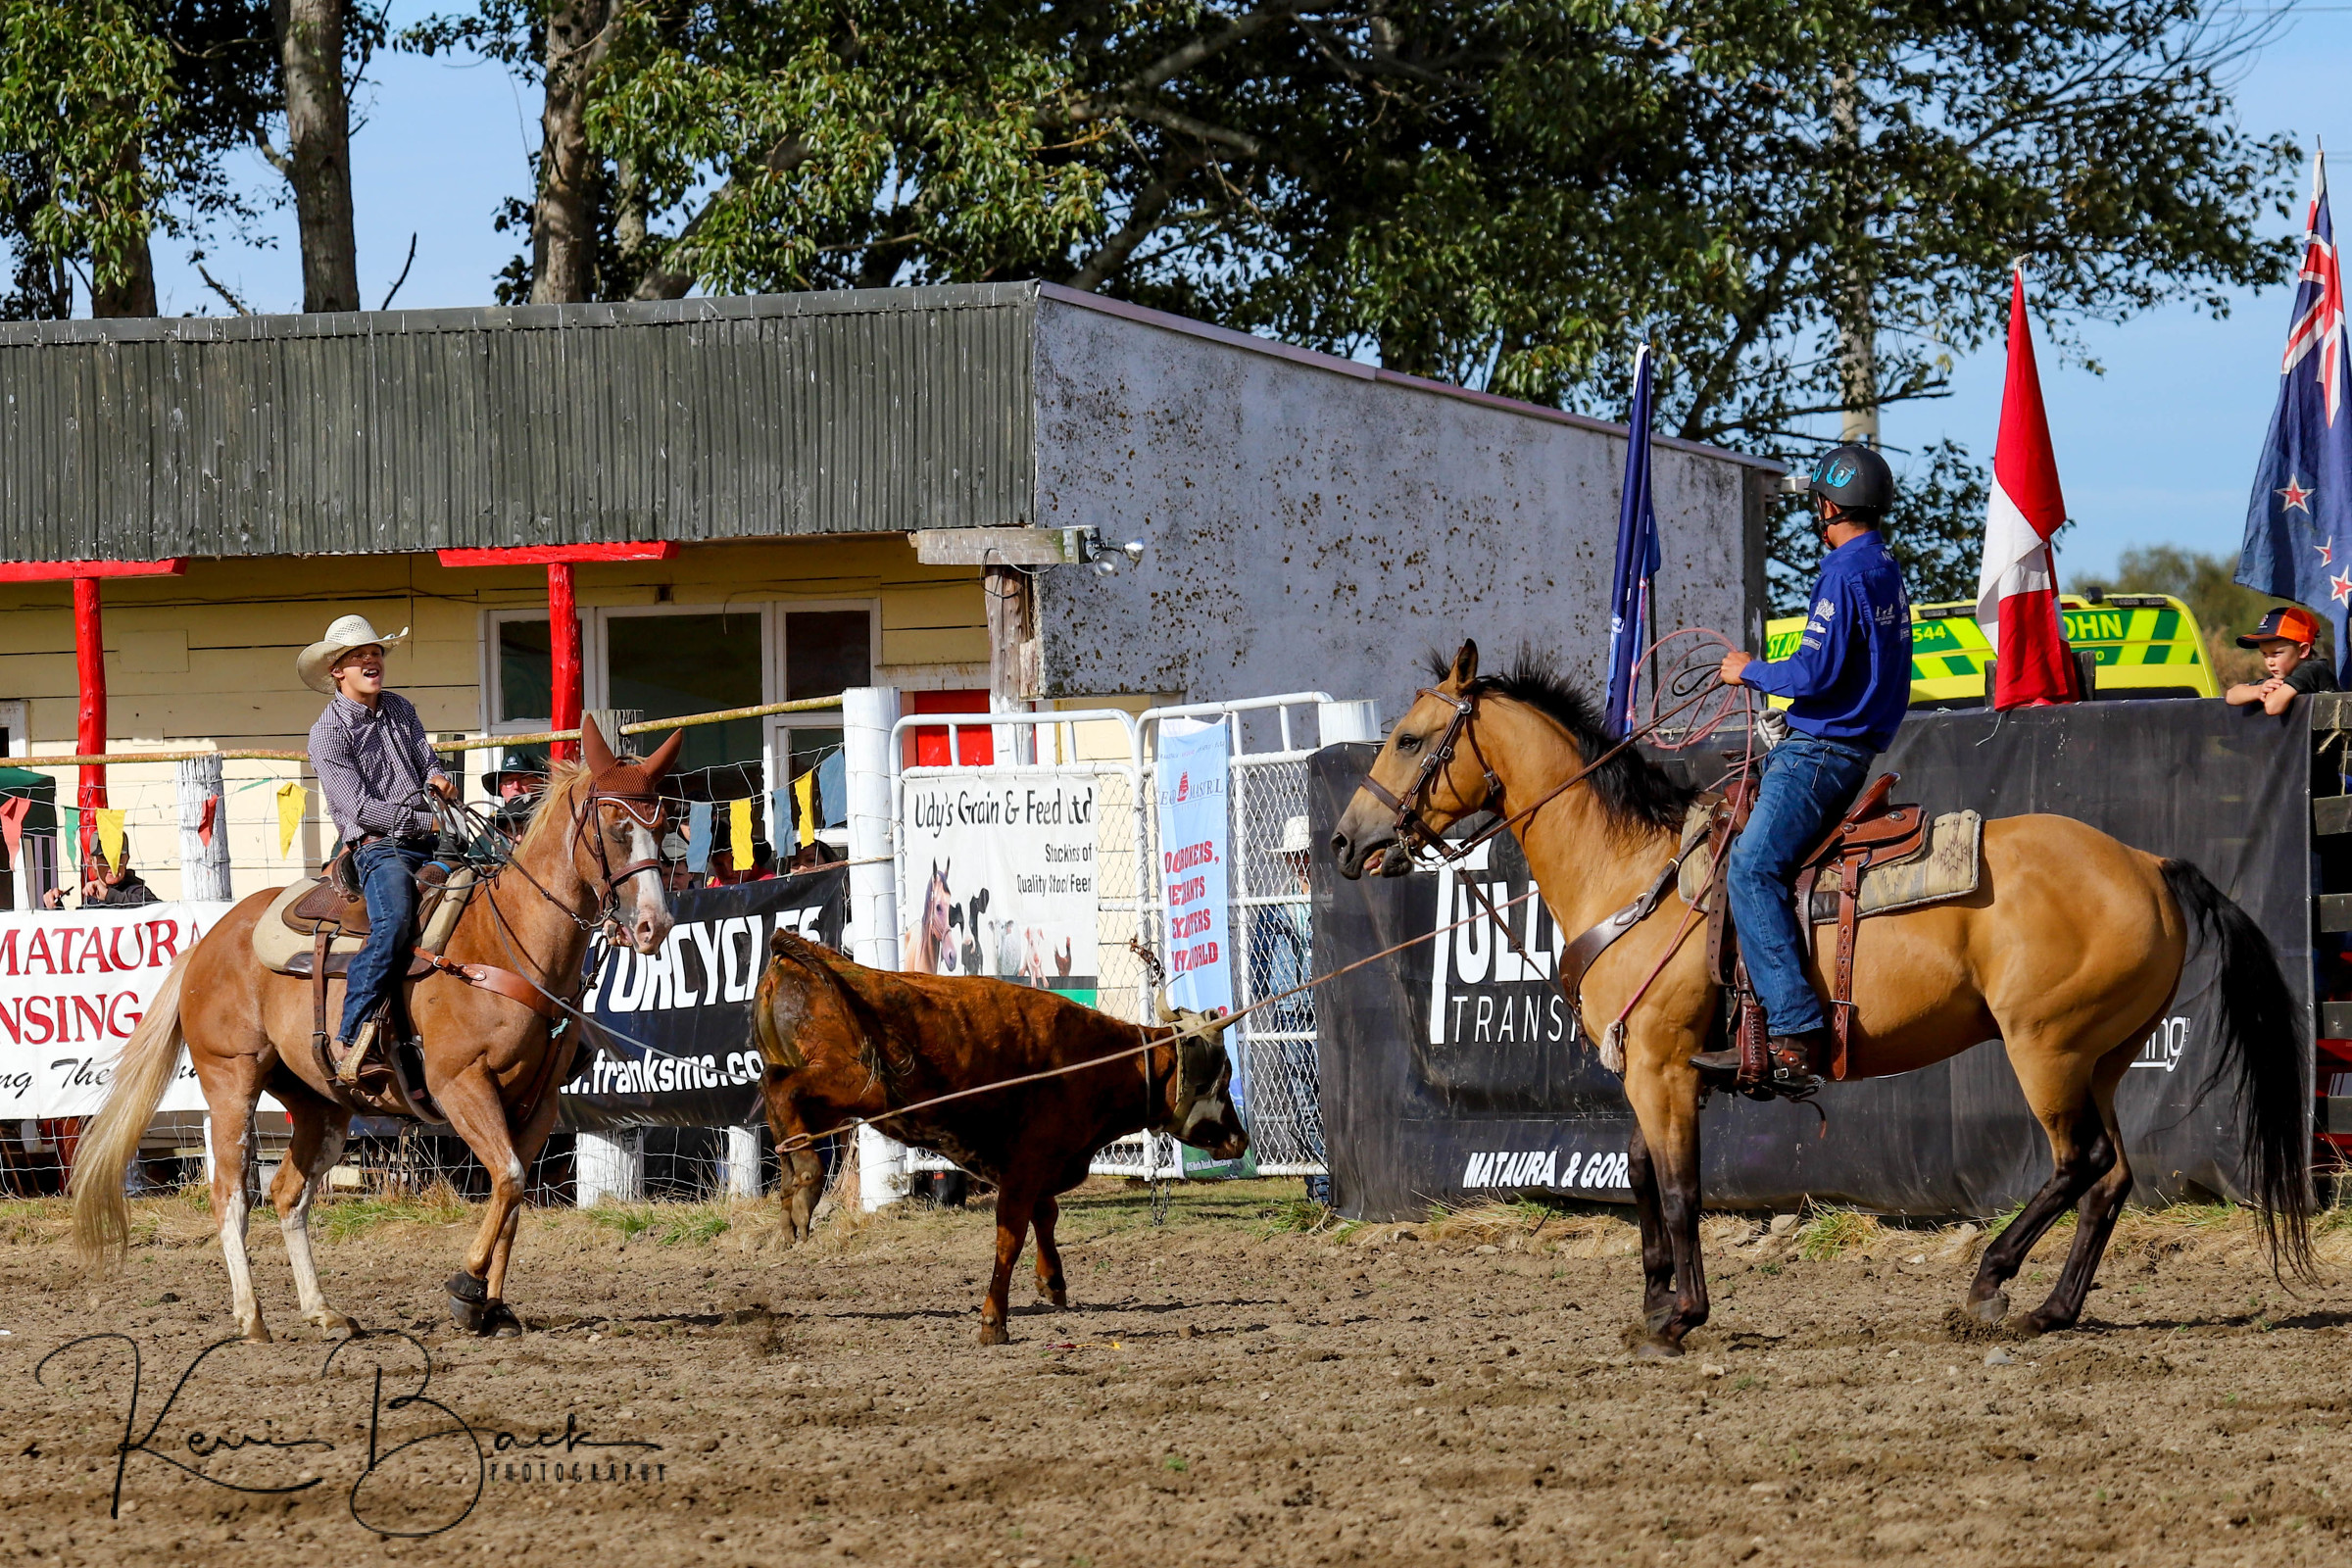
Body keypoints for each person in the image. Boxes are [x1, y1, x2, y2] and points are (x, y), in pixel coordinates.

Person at [1689, 443, 1912, 1094]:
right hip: (1851, 749)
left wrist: (1749, 671)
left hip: (1818, 754)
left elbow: (1813, 673)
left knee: (1750, 867)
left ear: (1829, 506)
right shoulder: (1885, 568)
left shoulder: (1843, 571)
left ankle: (1790, 1030)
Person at [299, 613, 457, 1083]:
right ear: (337, 671)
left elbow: (426, 761)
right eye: (358, 656)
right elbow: (360, 809)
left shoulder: (400, 708)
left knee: (504, 883)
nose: (371, 660)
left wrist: (437, 777)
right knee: (394, 923)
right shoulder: (327, 732)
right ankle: (352, 1036)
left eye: (375, 653)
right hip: (378, 848)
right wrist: (427, 819)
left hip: (431, 836)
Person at [2224, 606, 2337, 714]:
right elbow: (2231, 695)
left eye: (2276, 653)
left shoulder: (2312, 670)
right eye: (2265, 654)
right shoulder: (2281, 678)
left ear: (2303, 650)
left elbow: (2273, 707)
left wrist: (2267, 694)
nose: (2270, 662)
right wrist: (2259, 690)